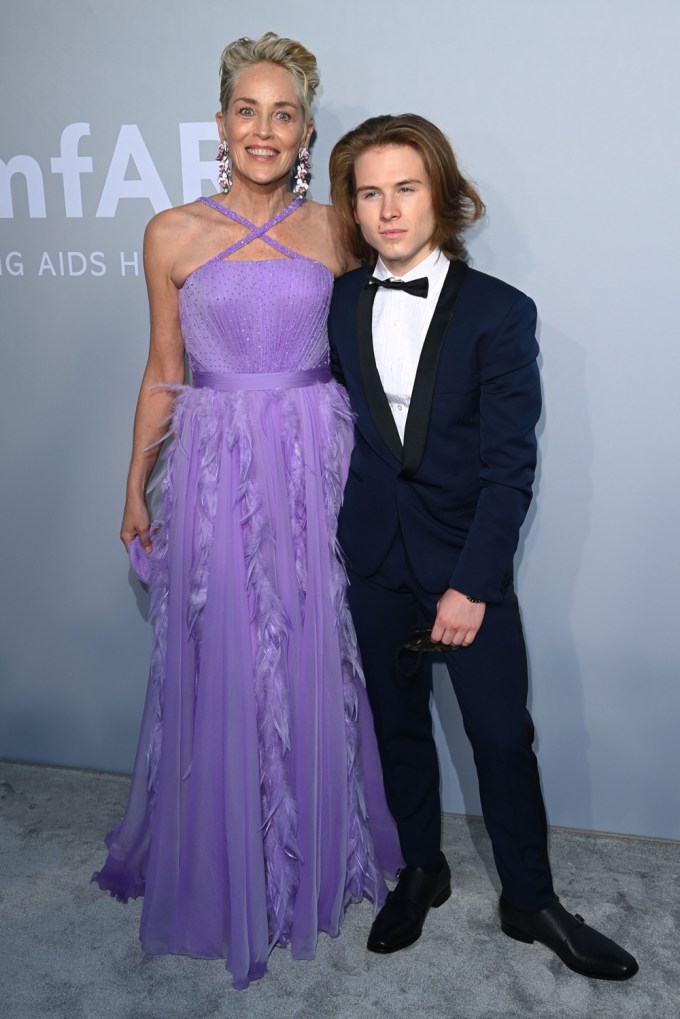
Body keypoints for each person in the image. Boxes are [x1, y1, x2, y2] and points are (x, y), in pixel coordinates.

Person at [92, 35, 401, 990]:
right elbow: (163, 371)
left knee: (311, 653)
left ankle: (306, 858)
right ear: (220, 122)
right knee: (224, 654)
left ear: (308, 130)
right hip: (216, 466)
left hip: (316, 460)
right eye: (246, 110)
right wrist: (134, 482)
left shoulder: (338, 232)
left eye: (283, 113)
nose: (262, 129)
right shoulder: (171, 233)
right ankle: (228, 859)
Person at [327, 114, 638, 980]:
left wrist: (473, 585)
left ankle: (530, 898)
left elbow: (511, 470)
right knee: (395, 729)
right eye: (369, 193)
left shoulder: (502, 312)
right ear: (352, 207)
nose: (388, 210)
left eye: (407, 188)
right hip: (375, 558)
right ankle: (420, 869)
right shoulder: (341, 298)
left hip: (465, 566)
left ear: (443, 195)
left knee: (501, 736)